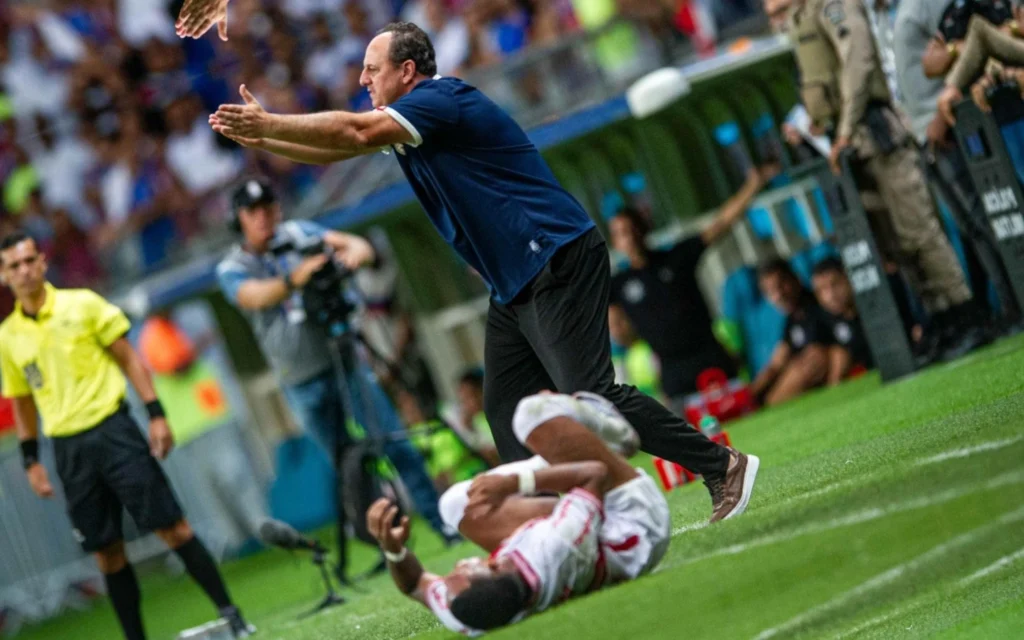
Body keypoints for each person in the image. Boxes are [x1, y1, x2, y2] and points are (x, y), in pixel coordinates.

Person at [202, 21, 755, 521]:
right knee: (507, 408)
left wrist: (271, 120)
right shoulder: (412, 123)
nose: (364, 81)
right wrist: (264, 138)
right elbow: (336, 151)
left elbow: (354, 133)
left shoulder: (440, 100)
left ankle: (720, 465)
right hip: (515, 281)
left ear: (408, 71)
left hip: (552, 255)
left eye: (373, 70)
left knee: (593, 394)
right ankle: (552, 525)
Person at [0, 232, 253, 640]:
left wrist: (155, 414)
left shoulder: (82, 303)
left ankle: (232, 613)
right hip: (69, 450)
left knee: (174, 528)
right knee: (107, 554)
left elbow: (129, 358)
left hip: (115, 430)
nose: (24, 270)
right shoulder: (8, 337)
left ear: (43, 262)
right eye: (14, 265)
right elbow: (23, 401)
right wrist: (31, 460)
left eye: (30, 260)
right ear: (3, 275)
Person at [213, 178, 455, 571]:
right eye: (253, 212)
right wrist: (298, 277)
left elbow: (358, 245)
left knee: (392, 443)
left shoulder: (299, 233)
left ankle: (441, 524)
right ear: (238, 219)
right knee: (349, 466)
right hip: (301, 378)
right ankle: (385, 549)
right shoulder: (232, 267)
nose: (264, 218)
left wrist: (349, 259)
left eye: (269, 207)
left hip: (345, 358)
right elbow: (252, 297)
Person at [366, 391, 686, 635]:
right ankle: (611, 440)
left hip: (590, 537)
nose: (459, 565)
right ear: (497, 569)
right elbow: (594, 475)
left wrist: (393, 551)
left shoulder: (469, 612)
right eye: (465, 571)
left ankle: (567, 451)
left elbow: (413, 585)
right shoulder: (556, 548)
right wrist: (515, 483)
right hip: (638, 523)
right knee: (532, 414)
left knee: (455, 505)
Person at [784, 0, 984, 359]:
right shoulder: (802, 13)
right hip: (849, 141)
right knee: (897, 244)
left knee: (918, 228)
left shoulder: (833, 4)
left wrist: (844, 129)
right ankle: (940, 318)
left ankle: (965, 312)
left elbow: (859, 61)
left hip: (872, 130)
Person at [895, 0, 1021, 333]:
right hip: (986, 112)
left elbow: (981, 39)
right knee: (983, 221)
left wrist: (952, 92)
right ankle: (1012, 303)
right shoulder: (946, 9)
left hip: (996, 113)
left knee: (995, 213)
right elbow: (934, 60)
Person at [607, 165, 776, 405]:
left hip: (712, 359)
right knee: (689, 437)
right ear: (615, 241)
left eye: (632, 228)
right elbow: (612, 324)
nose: (630, 236)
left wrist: (754, 185)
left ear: (644, 228)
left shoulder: (677, 258)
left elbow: (720, 225)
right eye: (621, 233)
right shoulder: (618, 284)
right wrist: (623, 332)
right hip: (674, 378)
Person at [750, 259, 832, 405]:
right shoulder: (791, 319)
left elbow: (817, 357)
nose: (778, 295)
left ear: (796, 279)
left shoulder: (820, 303)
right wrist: (749, 394)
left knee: (809, 363)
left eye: (781, 285)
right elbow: (776, 363)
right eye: (769, 291)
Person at [810, 257, 874, 384]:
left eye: (835, 284)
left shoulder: (874, 305)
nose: (830, 295)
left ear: (849, 279)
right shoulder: (823, 318)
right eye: (822, 289)